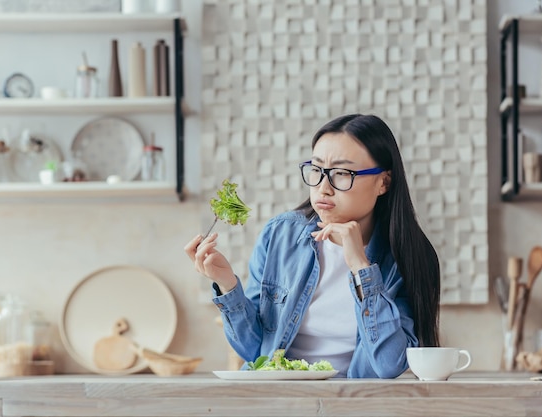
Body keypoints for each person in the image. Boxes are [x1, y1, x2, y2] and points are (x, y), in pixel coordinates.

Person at [185, 113, 440, 378]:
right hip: (279, 399)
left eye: (342, 173)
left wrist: (361, 269)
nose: (323, 188)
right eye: (317, 170)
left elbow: (389, 365)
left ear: (383, 182)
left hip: (354, 403)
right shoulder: (280, 235)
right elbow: (254, 352)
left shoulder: (407, 257)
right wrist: (227, 284)